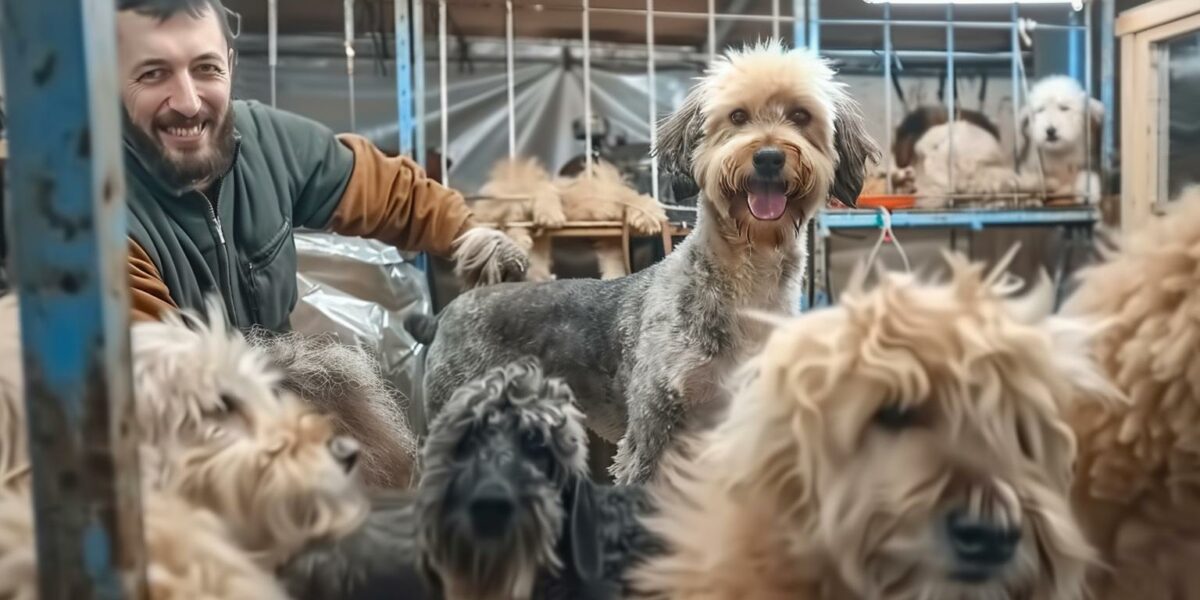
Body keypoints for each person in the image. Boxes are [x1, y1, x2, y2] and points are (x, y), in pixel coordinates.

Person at [116, 0, 525, 332]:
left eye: (206, 68)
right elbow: (158, 375)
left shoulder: (269, 143)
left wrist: (473, 240)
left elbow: (387, 191)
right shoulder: (101, 216)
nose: (188, 102)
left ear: (231, 65)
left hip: (276, 404)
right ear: (106, 81)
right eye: (153, 74)